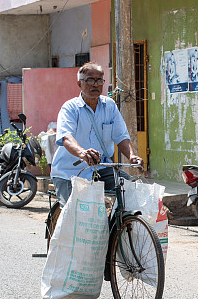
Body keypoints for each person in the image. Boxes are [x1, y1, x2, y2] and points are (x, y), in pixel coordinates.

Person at [50, 62, 143, 206]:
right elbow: (66, 137)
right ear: (79, 84)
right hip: (70, 172)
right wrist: (82, 153)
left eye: (99, 80)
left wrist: (131, 156)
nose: (95, 84)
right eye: (90, 80)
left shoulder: (110, 105)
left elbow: (121, 136)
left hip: (101, 169)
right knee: (72, 212)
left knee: (133, 193)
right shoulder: (70, 108)